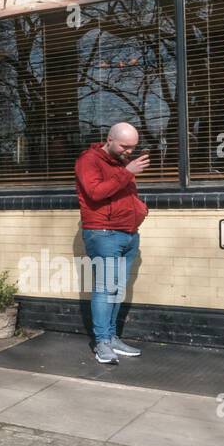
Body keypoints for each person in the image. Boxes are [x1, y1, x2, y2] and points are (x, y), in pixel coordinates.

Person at [75, 121, 149, 365]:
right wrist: (128, 172)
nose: (129, 151)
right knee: (105, 288)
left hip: (128, 234)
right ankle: (102, 342)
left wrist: (139, 208)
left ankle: (112, 337)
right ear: (109, 139)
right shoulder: (89, 160)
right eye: (125, 146)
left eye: (133, 147)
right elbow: (96, 193)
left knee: (117, 289)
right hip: (104, 234)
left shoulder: (120, 164)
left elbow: (123, 195)